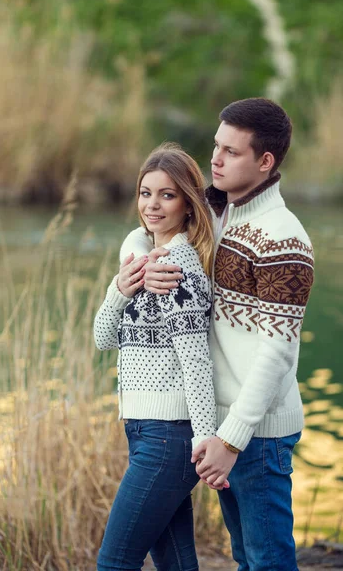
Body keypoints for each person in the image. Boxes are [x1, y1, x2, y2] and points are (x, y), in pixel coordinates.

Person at [119, 98, 314, 571]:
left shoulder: (284, 239)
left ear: (265, 162)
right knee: (245, 555)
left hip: (258, 431)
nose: (216, 159)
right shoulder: (213, 208)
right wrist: (133, 266)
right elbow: (149, 225)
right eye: (215, 146)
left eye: (231, 151)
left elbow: (277, 356)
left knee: (267, 560)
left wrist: (231, 441)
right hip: (218, 423)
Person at [93, 143, 226, 571]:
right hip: (146, 432)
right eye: (145, 192)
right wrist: (121, 287)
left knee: (114, 562)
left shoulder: (177, 270)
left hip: (169, 439)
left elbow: (196, 362)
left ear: (188, 204)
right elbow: (101, 338)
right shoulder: (142, 261)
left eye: (167, 195)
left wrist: (206, 441)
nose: (152, 204)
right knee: (177, 563)